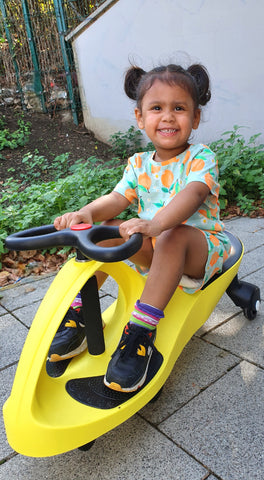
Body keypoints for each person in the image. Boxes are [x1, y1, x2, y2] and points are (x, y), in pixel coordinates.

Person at [48, 62, 231, 393]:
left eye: (179, 108)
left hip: (197, 250)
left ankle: (141, 333)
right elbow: (117, 198)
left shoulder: (202, 158)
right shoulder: (139, 164)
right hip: (154, 249)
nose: (168, 117)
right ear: (140, 117)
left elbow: (193, 194)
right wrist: (86, 212)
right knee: (106, 228)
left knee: (173, 234)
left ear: (196, 118)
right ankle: (82, 313)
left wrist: (157, 224)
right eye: (157, 108)